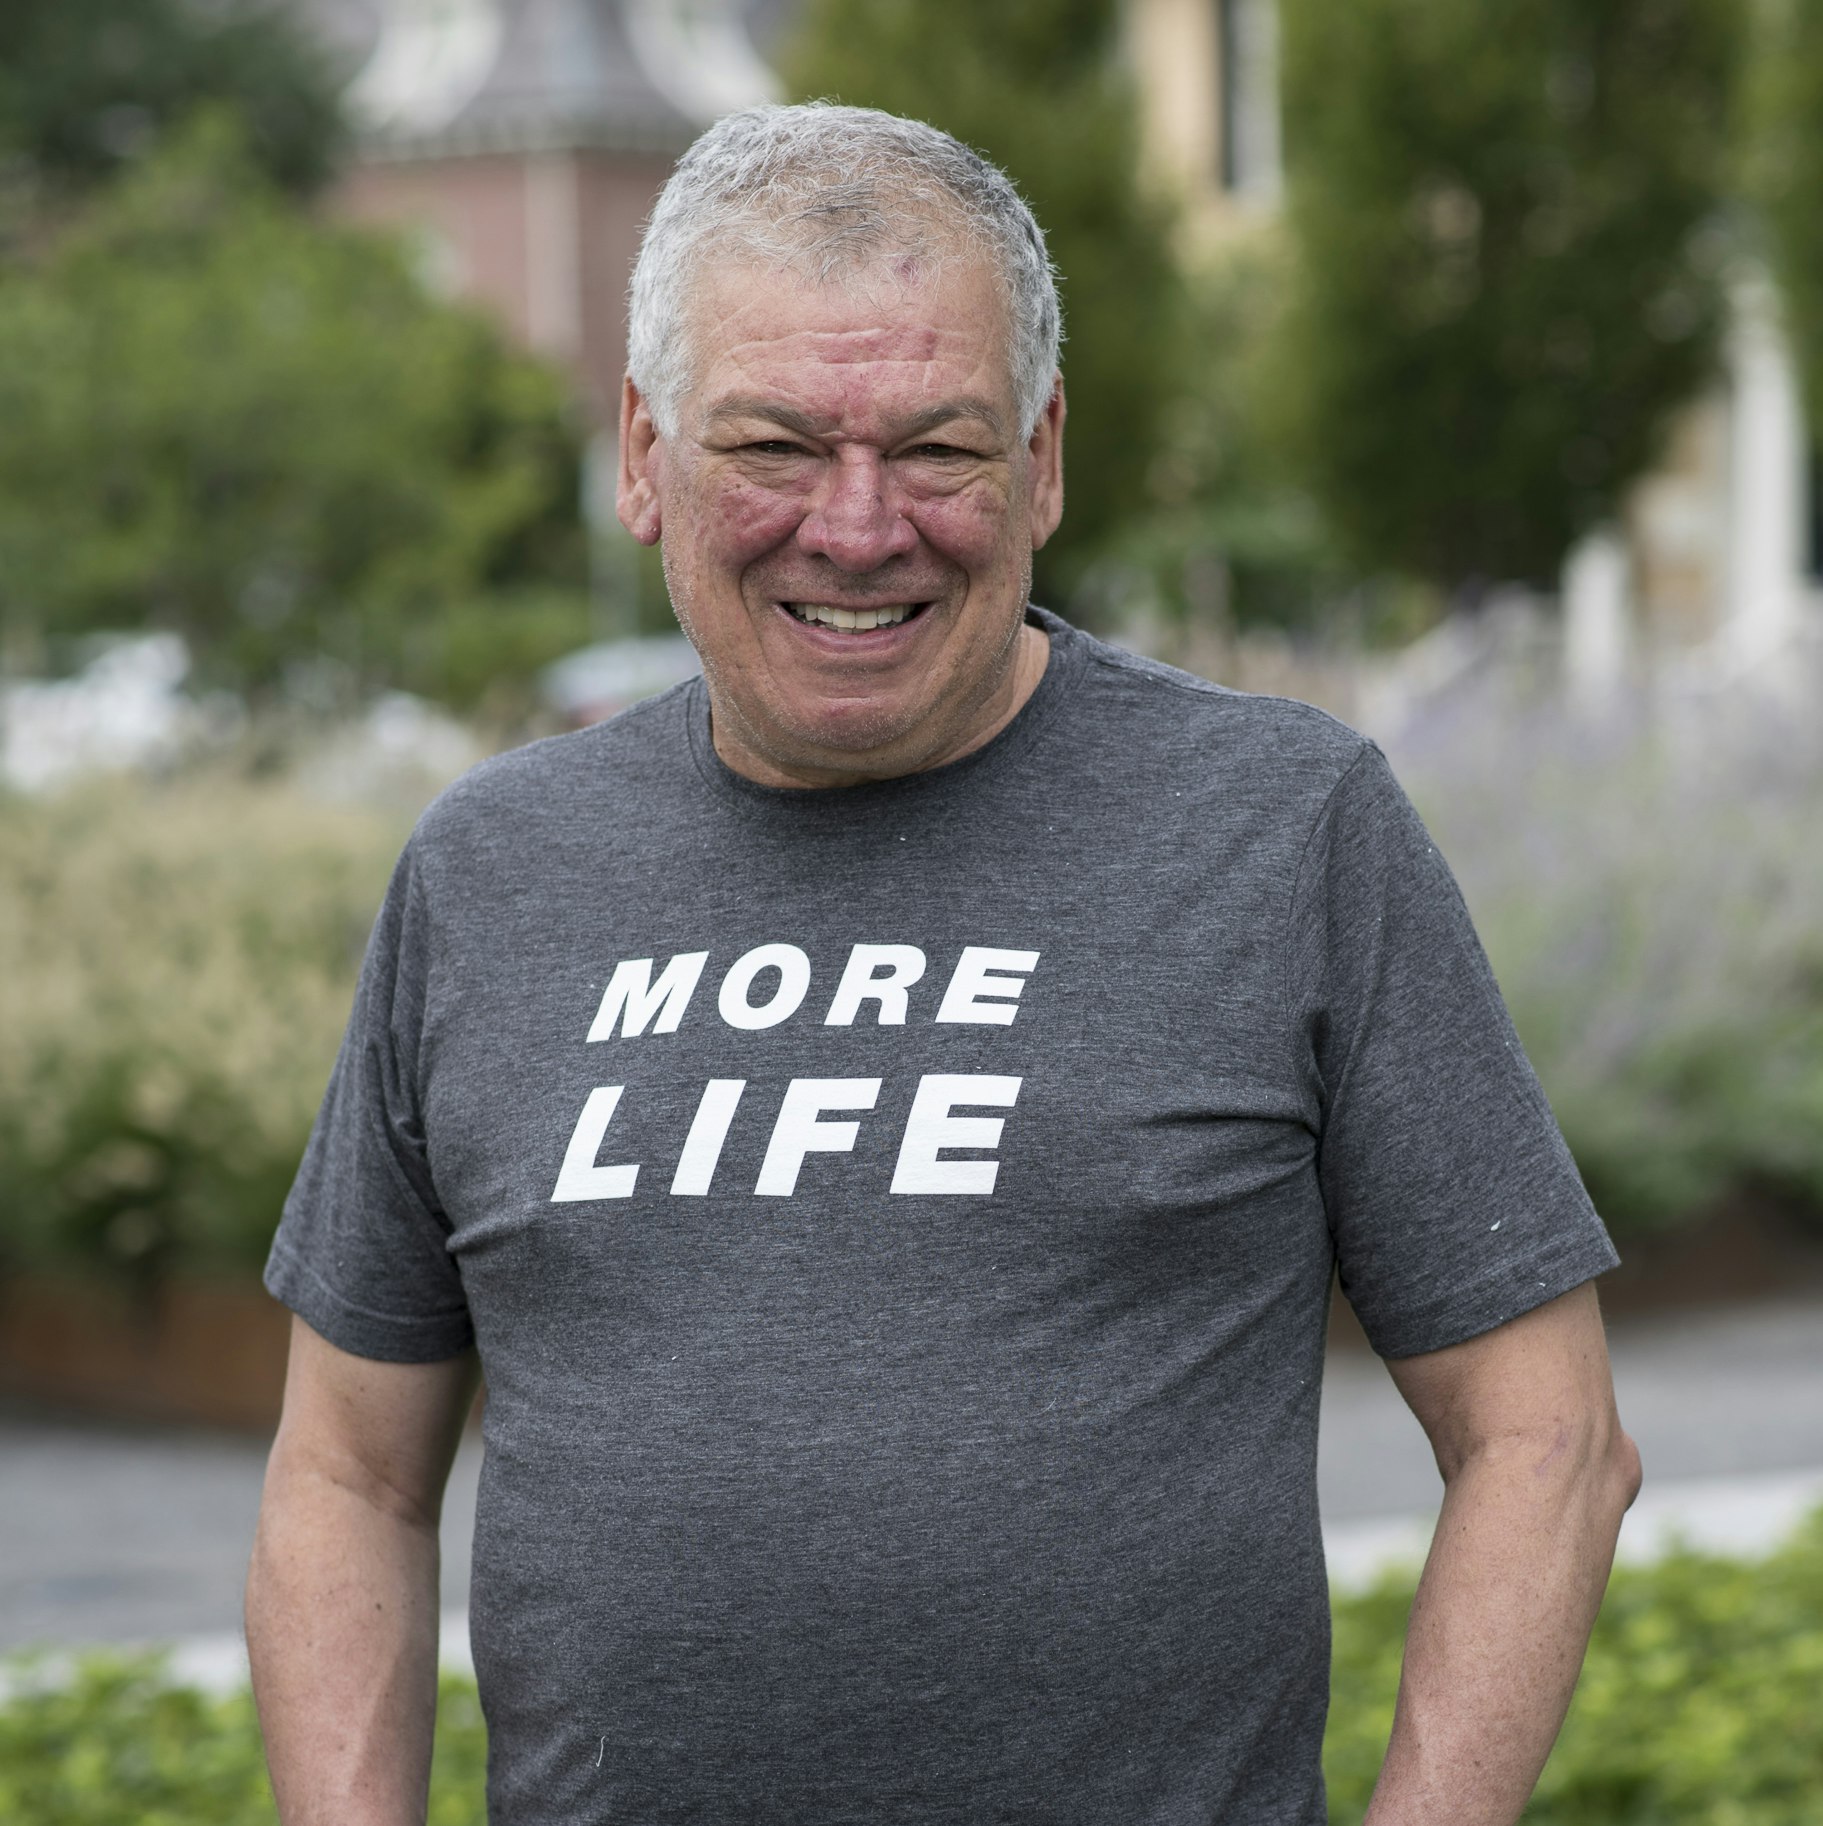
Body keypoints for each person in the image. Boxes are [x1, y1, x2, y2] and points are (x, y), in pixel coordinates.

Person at [246, 102, 1641, 1826]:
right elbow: (344, 1475)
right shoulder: (489, 869)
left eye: (938, 449)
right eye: (771, 445)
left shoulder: (1288, 829)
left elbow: (1548, 1435)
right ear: (640, 454)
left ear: (1043, 459)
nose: (856, 526)